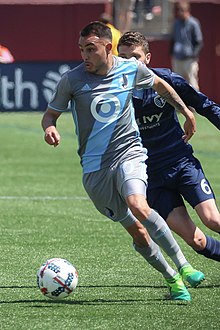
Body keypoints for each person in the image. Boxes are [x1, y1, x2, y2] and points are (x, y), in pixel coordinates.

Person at [41, 21, 204, 301]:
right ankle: (173, 279)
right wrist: (49, 128)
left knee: (138, 203)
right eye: (81, 49)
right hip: (95, 169)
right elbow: (50, 114)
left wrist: (186, 113)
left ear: (107, 47)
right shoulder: (72, 80)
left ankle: (185, 266)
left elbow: (160, 85)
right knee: (139, 233)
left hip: (129, 152)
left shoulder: (129, 68)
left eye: (90, 49)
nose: (85, 55)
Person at [117, 31, 220, 262]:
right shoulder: (113, 90)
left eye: (135, 56)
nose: (129, 62)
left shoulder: (166, 81)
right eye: (123, 57)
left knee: (213, 220)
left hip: (181, 163)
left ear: (147, 59)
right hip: (149, 177)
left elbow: (205, 106)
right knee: (197, 241)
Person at [170, 1, 203, 90]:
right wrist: (172, 53)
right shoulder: (176, 23)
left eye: (182, 10)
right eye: (179, 11)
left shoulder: (193, 23)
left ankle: (196, 103)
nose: (180, 13)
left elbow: (199, 41)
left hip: (189, 59)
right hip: (177, 58)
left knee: (192, 83)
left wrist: (194, 55)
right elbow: (173, 39)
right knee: (177, 83)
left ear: (187, 11)